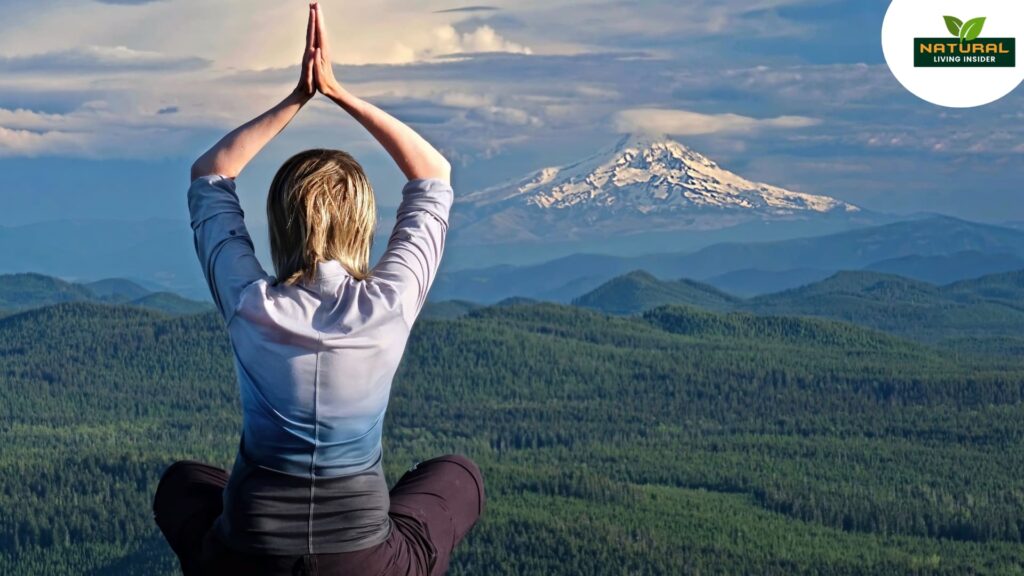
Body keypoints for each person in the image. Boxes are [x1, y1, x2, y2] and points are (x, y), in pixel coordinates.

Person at [151, 4, 484, 575]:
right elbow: (434, 177)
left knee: (184, 483)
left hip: (246, 554)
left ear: (279, 223)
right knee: (458, 475)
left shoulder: (250, 303)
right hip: (363, 560)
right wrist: (339, 92)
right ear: (364, 224)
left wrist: (297, 97)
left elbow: (210, 174)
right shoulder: (389, 303)